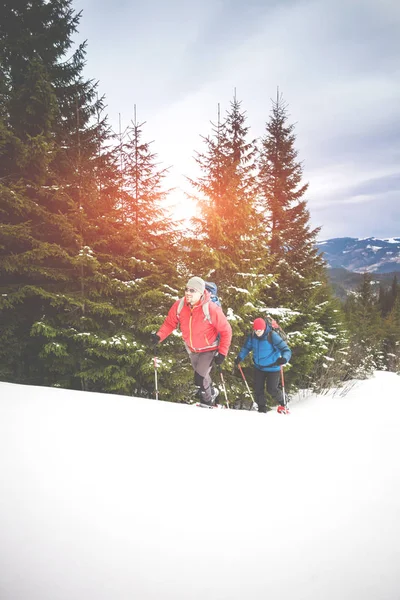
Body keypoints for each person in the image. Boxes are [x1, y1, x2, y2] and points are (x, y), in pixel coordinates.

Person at [151, 277, 232, 405]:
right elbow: (169, 323)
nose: (188, 293)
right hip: (192, 349)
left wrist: (222, 352)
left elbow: (226, 330)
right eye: (187, 289)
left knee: (199, 378)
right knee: (203, 376)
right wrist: (159, 336)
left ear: (200, 293)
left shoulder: (210, 309)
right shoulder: (180, 305)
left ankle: (207, 402)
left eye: (192, 290)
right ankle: (212, 392)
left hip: (209, 348)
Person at [235, 317, 291, 413]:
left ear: (264, 328)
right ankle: (261, 410)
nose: (257, 332)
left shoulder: (272, 335)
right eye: (256, 330)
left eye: (259, 330)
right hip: (259, 367)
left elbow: (285, 349)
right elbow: (246, 347)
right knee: (258, 389)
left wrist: (284, 358)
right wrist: (240, 357)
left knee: (272, 389)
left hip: (273, 367)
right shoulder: (252, 336)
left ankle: (284, 400)